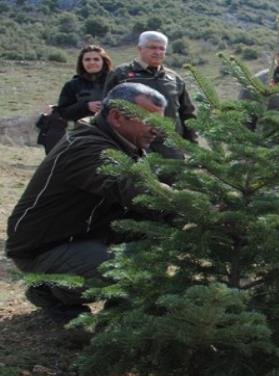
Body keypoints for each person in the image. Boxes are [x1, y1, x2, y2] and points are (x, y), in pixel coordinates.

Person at [6, 83, 168, 322]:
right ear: (116, 117)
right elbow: (132, 187)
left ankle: (117, 308)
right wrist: (196, 206)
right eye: (148, 119)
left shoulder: (126, 145)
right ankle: (51, 290)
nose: (157, 129)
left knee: (157, 227)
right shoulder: (86, 147)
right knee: (126, 276)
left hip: (85, 233)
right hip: (45, 246)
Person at [103, 31, 196, 159]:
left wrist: (192, 145)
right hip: (132, 146)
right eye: (152, 47)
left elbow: (187, 113)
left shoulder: (174, 78)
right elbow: (107, 110)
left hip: (170, 147)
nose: (157, 52)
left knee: (176, 179)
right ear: (140, 48)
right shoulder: (121, 74)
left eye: (162, 48)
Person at [39, 45, 113, 153]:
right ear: (81, 62)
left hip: (113, 136)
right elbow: (64, 112)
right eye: (87, 59)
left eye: (96, 59)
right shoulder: (72, 85)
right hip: (82, 136)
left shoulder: (115, 81)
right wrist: (86, 106)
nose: (92, 62)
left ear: (104, 61)